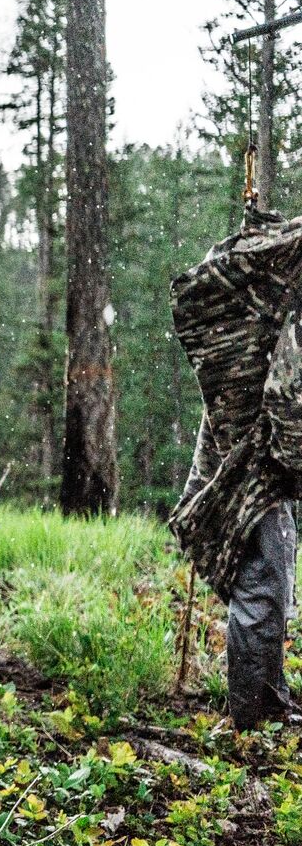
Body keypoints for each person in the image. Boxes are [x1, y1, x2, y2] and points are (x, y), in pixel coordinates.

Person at [171, 198, 302, 728]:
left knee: (271, 560)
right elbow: (286, 396)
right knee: (264, 574)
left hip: (248, 441)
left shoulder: (278, 269)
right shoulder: (289, 291)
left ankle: (267, 697)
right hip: (255, 450)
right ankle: (250, 720)